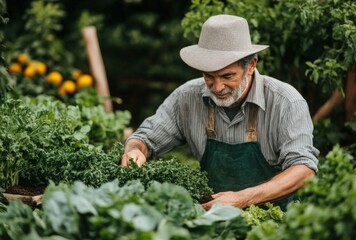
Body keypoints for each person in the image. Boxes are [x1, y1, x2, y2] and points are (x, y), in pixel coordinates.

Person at [121, 14, 319, 210]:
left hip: (277, 223)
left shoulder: (285, 102)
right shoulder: (187, 98)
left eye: (227, 76)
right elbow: (145, 138)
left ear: (251, 66)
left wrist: (242, 198)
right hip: (213, 219)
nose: (216, 87)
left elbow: (304, 169)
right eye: (209, 76)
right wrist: (135, 150)